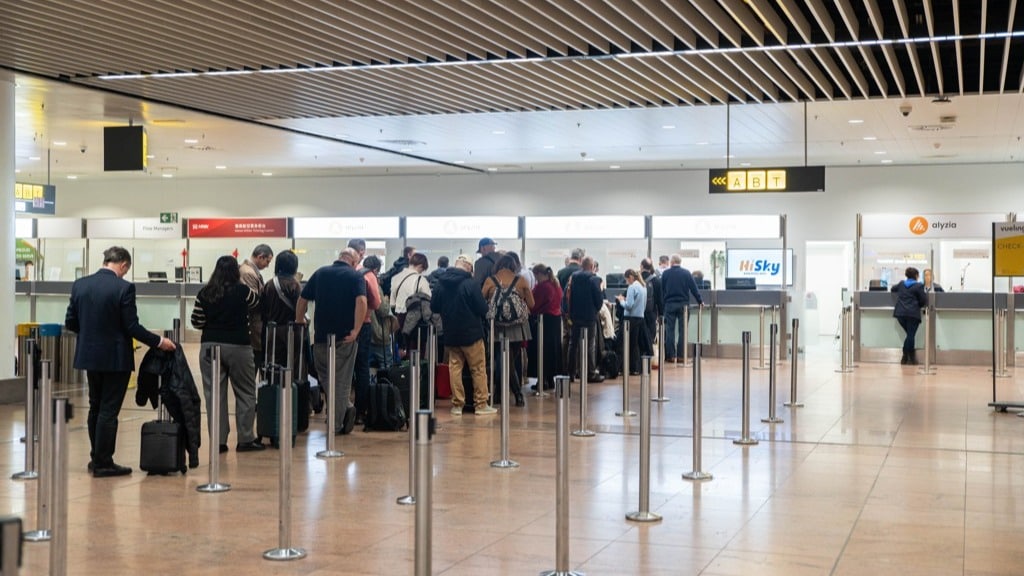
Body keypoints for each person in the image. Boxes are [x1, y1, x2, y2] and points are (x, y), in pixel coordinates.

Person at [65, 246, 177, 477]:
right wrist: (158, 341)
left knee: (95, 405)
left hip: (89, 356)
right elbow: (131, 326)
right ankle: (104, 462)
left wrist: (90, 335)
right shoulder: (124, 288)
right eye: (126, 270)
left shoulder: (80, 284)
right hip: (116, 358)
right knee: (108, 409)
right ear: (124, 264)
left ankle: (96, 457)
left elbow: (71, 323)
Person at [192, 255, 264, 453]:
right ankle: (246, 439)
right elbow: (256, 302)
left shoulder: (205, 292)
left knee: (214, 395)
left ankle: (219, 441)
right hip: (239, 346)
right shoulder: (243, 291)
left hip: (210, 347)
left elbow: (196, 321)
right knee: (246, 392)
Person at [297, 247, 367, 435]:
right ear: (353, 262)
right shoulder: (355, 276)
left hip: (321, 337)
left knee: (326, 378)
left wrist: (299, 321)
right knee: (342, 382)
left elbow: (302, 299)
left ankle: (343, 409)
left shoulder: (321, 273)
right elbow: (362, 302)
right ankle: (337, 422)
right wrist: (356, 330)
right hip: (345, 338)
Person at [431, 254, 497, 416]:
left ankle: (457, 405)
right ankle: (481, 404)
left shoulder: (441, 283)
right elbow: (482, 309)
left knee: (455, 368)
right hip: (472, 333)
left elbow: (434, 307)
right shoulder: (470, 283)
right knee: (478, 369)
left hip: (451, 333)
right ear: (468, 267)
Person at [482, 253, 535, 406]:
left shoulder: (490, 281)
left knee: (501, 358)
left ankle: (499, 393)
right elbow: (531, 304)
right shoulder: (521, 280)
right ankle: (517, 393)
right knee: (510, 360)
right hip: (518, 327)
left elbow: (482, 300)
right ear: (514, 266)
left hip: (496, 326)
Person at [353, 245, 382, 424]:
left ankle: (340, 409)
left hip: (344, 325)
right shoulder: (369, 275)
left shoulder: (352, 271)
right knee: (362, 367)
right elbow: (377, 303)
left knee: (344, 369)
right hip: (363, 324)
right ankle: (360, 411)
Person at [566, 256, 605, 382]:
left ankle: (571, 372)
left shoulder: (574, 277)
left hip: (575, 317)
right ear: (592, 266)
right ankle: (590, 373)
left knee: (573, 345)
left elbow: (568, 295)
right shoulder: (594, 279)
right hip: (589, 317)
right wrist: (595, 310)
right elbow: (599, 300)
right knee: (590, 345)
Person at [260, 250, 302, 367]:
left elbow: (263, 309)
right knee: (292, 364)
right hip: (292, 331)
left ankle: (274, 384)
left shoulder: (269, 284)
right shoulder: (295, 284)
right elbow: (300, 308)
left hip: (272, 331)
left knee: (274, 364)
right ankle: (290, 385)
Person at [661, 254, 703, 363]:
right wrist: (700, 301)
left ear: (671, 262)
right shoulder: (686, 273)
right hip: (683, 306)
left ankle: (670, 356)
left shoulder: (665, 274)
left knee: (669, 330)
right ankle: (681, 356)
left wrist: (662, 305)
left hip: (669, 305)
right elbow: (694, 288)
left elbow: (662, 290)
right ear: (680, 262)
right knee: (682, 331)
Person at [240, 244, 273, 369]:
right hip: (253, 325)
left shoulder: (251, 271)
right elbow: (252, 301)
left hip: (255, 325)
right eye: (267, 261)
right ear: (260, 257)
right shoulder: (248, 273)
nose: (267, 265)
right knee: (254, 364)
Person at [390, 252, 431, 351]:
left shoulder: (395, 277)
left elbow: (392, 302)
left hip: (398, 317)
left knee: (400, 346)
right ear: (421, 266)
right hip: (415, 319)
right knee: (415, 348)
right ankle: (415, 366)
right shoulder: (420, 279)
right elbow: (428, 299)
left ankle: (402, 365)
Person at [531, 263, 563, 390]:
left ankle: (541, 380)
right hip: (555, 321)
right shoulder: (556, 285)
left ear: (538, 274)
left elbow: (534, 304)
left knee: (541, 350)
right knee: (552, 351)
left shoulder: (542, 287)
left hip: (543, 321)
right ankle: (550, 380)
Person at [892, 266, 928, 365]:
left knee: (910, 335)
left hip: (900, 314)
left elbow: (892, 289)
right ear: (916, 276)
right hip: (912, 314)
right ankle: (908, 356)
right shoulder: (918, 286)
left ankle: (906, 356)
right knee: (911, 335)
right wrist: (917, 306)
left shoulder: (901, 284)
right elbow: (923, 300)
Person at [616, 269, 647, 375]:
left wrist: (621, 301)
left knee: (622, 343)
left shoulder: (632, 287)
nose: (626, 282)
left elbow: (628, 306)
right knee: (634, 345)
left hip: (629, 319)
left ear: (630, 277)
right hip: (639, 318)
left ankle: (621, 368)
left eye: (626, 280)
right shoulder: (643, 287)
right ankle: (635, 368)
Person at [640, 258, 662, 357]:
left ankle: (639, 361)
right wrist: (661, 314)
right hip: (651, 313)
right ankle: (648, 360)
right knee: (650, 336)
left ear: (641, 266)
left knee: (639, 337)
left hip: (638, 314)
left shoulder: (637, 279)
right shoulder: (656, 280)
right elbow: (659, 299)